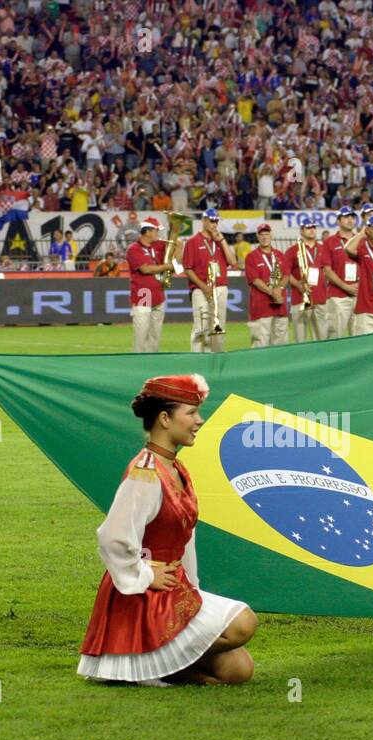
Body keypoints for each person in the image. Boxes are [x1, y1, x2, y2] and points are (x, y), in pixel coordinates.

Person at [79, 375, 258, 686]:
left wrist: (192, 588)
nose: (199, 421)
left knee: (239, 669)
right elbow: (113, 536)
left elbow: (182, 539)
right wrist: (146, 574)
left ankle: (159, 666)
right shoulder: (145, 471)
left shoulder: (175, 467)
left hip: (174, 590)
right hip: (146, 595)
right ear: (164, 418)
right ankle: (146, 663)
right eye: (190, 413)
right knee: (243, 623)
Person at [181, 208, 236, 353]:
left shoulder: (219, 241)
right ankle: (198, 360)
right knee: (201, 327)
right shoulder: (193, 241)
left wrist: (222, 241)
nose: (214, 224)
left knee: (218, 327)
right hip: (200, 288)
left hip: (220, 287)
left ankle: (217, 359)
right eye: (212, 221)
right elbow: (187, 268)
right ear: (204, 221)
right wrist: (204, 287)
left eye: (216, 221)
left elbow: (232, 261)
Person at [126, 217, 175, 353]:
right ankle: (139, 364)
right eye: (156, 230)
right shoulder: (133, 249)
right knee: (141, 336)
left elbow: (177, 247)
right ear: (147, 231)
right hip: (143, 296)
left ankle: (153, 362)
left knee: (155, 336)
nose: (158, 233)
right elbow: (145, 269)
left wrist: (175, 232)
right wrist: (167, 266)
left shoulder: (158, 245)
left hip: (158, 294)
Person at [284, 213, 329, 342]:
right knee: (300, 340)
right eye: (308, 227)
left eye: (314, 227)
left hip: (320, 299)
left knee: (322, 339)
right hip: (300, 298)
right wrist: (299, 285)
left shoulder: (322, 249)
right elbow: (286, 273)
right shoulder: (292, 250)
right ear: (301, 230)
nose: (312, 230)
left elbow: (328, 271)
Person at [243, 223, 289, 346]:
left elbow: (286, 275)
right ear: (257, 237)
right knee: (260, 344)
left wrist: (279, 288)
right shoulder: (251, 257)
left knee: (281, 344)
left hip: (280, 306)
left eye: (267, 234)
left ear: (271, 235)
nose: (264, 237)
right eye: (261, 234)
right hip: (261, 307)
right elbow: (255, 280)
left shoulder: (280, 255)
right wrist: (272, 292)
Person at [322, 205, 360, 338]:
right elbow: (327, 270)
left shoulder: (361, 240)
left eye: (352, 217)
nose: (350, 220)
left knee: (359, 338)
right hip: (338, 296)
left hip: (359, 295)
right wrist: (346, 287)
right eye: (346, 217)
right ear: (338, 221)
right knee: (335, 337)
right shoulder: (329, 242)